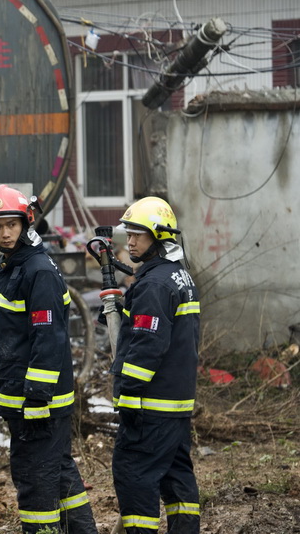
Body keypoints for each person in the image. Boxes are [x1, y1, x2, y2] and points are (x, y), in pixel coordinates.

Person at [0, 185, 97, 534]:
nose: (4, 232)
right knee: (58, 471)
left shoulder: (36, 270)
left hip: (38, 402)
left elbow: (48, 338)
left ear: (24, 222)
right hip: (28, 397)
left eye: (10, 224)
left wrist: (37, 399)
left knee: (35, 480)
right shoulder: (15, 265)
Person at [112, 196, 200, 533]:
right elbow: (161, 332)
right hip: (176, 403)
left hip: (152, 405)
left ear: (160, 237)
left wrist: (128, 393)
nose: (130, 241)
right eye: (129, 233)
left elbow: (148, 346)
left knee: (134, 474)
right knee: (178, 479)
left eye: (138, 235)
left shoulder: (154, 284)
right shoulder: (179, 277)